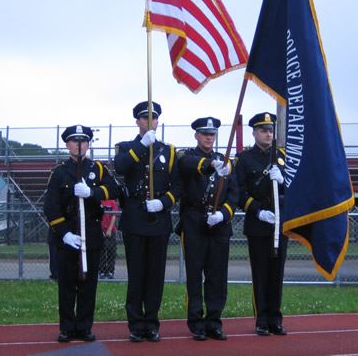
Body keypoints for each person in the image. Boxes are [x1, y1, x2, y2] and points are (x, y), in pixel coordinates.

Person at [44, 124, 119, 343]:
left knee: (88, 284)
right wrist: (65, 233)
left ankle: (84, 326)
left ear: (88, 144)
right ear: (67, 144)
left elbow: (114, 190)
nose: (79, 145)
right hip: (67, 236)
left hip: (91, 234)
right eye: (75, 141)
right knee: (67, 284)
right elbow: (50, 207)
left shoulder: (99, 169)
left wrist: (92, 192)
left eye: (83, 141)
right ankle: (67, 327)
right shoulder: (58, 172)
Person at [114, 101, 181, 342]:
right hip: (134, 218)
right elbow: (120, 168)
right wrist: (141, 147)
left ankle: (151, 323)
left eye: (153, 118)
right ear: (137, 122)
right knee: (137, 274)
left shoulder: (169, 151)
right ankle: (135, 323)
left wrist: (164, 202)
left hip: (158, 219)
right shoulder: (126, 147)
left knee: (155, 275)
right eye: (144, 118)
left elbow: (178, 186)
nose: (149, 122)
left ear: (158, 121)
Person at [177, 117, 238, 341]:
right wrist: (211, 165)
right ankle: (196, 322)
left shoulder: (226, 161)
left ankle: (214, 321)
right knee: (195, 275)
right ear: (196, 135)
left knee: (217, 276)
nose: (208, 137)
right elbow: (187, 166)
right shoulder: (187, 157)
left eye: (212, 134)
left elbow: (234, 193)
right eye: (204, 133)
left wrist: (223, 214)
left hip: (219, 226)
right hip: (194, 222)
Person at [234, 112, 288, 336]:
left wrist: (283, 180)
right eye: (263, 130)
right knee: (260, 273)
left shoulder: (282, 157)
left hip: (278, 223)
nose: (268, 133)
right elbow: (239, 193)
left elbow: (294, 189)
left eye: (270, 130)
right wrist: (258, 211)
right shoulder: (245, 159)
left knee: (277, 274)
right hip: (258, 223)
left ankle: (276, 318)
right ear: (254, 132)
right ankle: (262, 320)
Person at [98, 199, 119, 279]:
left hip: (111, 230)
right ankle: (102, 271)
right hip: (101, 230)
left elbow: (114, 216)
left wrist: (109, 229)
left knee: (111, 250)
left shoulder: (112, 202)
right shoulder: (99, 201)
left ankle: (110, 271)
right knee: (101, 251)